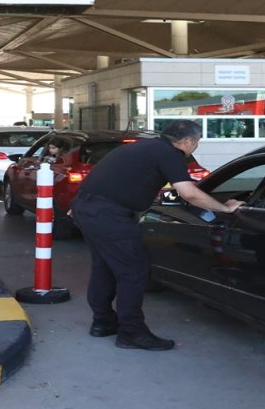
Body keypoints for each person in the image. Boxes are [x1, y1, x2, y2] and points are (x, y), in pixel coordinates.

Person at [69, 119, 244, 351]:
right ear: (189, 140)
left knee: (105, 266)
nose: (196, 146)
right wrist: (225, 208)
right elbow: (188, 193)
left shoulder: (139, 146)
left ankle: (103, 323)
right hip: (110, 215)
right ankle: (131, 333)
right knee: (133, 271)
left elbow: (106, 177)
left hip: (86, 209)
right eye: (198, 141)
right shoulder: (169, 154)